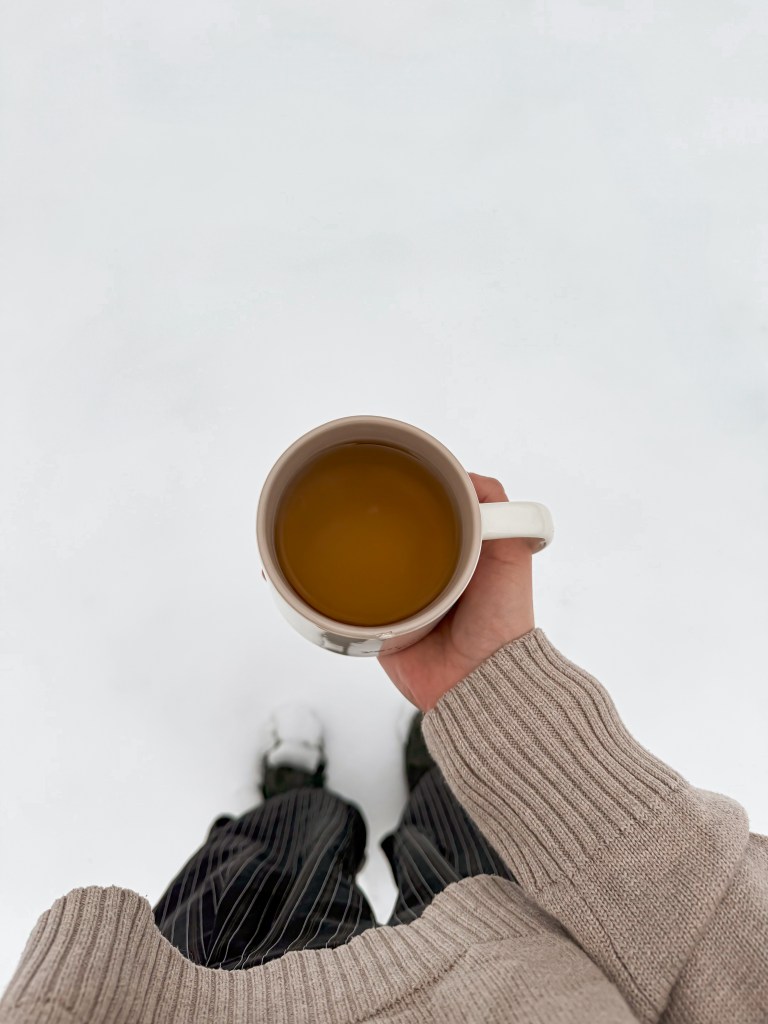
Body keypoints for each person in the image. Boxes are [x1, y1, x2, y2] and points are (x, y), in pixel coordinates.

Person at [1, 473, 766, 1023]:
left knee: (275, 851)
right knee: (466, 822)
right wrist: (502, 708)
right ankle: (452, 763)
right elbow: (741, 966)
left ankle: (296, 796)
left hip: (212, 992)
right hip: (508, 956)